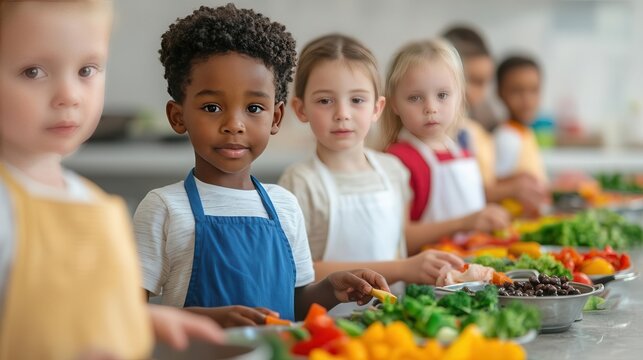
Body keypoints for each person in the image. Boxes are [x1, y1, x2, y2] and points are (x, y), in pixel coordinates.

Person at [133, 4, 389, 326]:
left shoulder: (285, 206)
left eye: (254, 107)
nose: (234, 124)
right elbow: (128, 315)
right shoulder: (164, 209)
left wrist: (329, 288)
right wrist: (208, 320)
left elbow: (295, 304)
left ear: (276, 117)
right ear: (178, 116)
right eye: (212, 107)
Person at [0, 1, 223, 359]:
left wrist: (141, 320)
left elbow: (76, 310)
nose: (69, 95)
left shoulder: (91, 202)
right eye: (33, 72)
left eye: (86, 70)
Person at [278, 34, 464, 298]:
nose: (342, 113)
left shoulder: (394, 171)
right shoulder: (299, 182)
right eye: (324, 101)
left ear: (377, 108)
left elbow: (398, 245)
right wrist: (401, 268)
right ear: (300, 109)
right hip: (332, 327)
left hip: (394, 322)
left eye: (357, 100)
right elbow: (297, 271)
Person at [380, 39, 510, 255]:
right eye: (415, 98)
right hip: (426, 283)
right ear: (394, 103)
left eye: (442, 95)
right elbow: (399, 239)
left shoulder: (463, 153)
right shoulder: (395, 161)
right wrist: (464, 223)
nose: (430, 108)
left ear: (459, 97)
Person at [443, 26, 547, 217]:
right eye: (473, 80)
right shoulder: (444, 133)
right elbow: (457, 197)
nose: (479, 93)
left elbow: (485, 183)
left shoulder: (473, 130)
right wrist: (509, 189)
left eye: (484, 82)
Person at [494, 56, 548, 186]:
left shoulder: (525, 132)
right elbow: (498, 184)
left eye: (534, 90)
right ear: (500, 92)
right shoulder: (506, 137)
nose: (527, 100)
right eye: (517, 91)